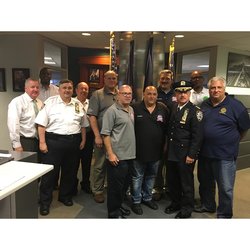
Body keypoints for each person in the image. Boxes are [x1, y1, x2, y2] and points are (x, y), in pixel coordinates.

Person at [194, 76, 250, 218]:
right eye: (213, 88)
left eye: (219, 87)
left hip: (225, 155)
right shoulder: (204, 105)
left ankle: (224, 215)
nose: (216, 90)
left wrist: (231, 141)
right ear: (210, 90)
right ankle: (208, 205)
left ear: (224, 89)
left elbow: (244, 128)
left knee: (225, 188)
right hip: (205, 153)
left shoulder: (236, 106)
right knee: (205, 183)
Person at [35, 79, 87, 216]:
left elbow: (83, 124)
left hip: (73, 141)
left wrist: (83, 139)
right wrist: (42, 142)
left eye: (70, 88)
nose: (67, 90)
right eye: (64, 88)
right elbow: (41, 124)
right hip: (53, 141)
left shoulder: (78, 104)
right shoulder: (50, 103)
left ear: (73, 90)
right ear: (59, 90)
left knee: (70, 172)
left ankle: (65, 196)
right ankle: (45, 202)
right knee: (50, 174)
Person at [164, 80, 203, 218]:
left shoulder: (195, 111)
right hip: (172, 151)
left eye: (185, 91)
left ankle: (187, 208)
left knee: (186, 183)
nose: (182, 94)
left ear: (190, 92)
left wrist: (192, 155)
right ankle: (175, 203)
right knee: (172, 180)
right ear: (176, 93)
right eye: (180, 92)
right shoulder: (174, 107)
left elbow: (197, 137)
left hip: (185, 154)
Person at [130, 86, 169, 215]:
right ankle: (136, 201)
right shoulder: (134, 108)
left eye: (154, 94)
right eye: (149, 94)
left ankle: (147, 198)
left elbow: (167, 129)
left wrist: (165, 145)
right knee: (137, 177)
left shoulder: (162, 108)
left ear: (157, 95)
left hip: (156, 151)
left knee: (151, 176)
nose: (151, 96)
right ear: (144, 95)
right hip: (138, 151)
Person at [101, 85, 135, 218]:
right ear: (118, 95)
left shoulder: (130, 109)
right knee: (115, 188)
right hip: (117, 156)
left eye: (129, 93)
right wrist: (110, 154)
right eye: (124, 93)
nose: (127, 95)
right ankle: (113, 213)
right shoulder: (112, 111)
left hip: (130, 155)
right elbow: (105, 134)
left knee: (123, 186)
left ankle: (119, 206)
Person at [87, 70, 118, 203]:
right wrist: (97, 136)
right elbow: (92, 116)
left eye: (114, 78)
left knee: (115, 163)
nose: (112, 80)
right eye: (109, 78)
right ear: (104, 79)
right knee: (99, 164)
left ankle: (111, 188)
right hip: (102, 136)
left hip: (117, 137)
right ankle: (98, 190)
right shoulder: (97, 94)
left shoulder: (120, 94)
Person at [154, 69, 176, 201]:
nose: (164, 81)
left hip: (173, 134)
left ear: (171, 80)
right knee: (158, 164)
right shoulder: (154, 92)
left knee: (171, 164)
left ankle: (169, 188)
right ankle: (157, 188)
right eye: (162, 78)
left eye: (167, 79)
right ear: (159, 79)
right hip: (158, 133)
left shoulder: (176, 93)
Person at [7, 78, 43, 158]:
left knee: (38, 167)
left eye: (37, 87)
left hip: (38, 141)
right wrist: (16, 145)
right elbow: (13, 124)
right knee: (26, 167)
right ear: (25, 88)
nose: (35, 89)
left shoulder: (40, 102)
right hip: (25, 141)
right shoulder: (17, 102)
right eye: (32, 87)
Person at [74, 82, 94, 194]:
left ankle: (85, 183)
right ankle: (73, 184)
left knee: (87, 162)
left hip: (89, 135)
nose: (84, 91)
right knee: (74, 162)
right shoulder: (72, 102)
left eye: (86, 89)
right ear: (76, 90)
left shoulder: (91, 103)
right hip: (75, 136)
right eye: (81, 88)